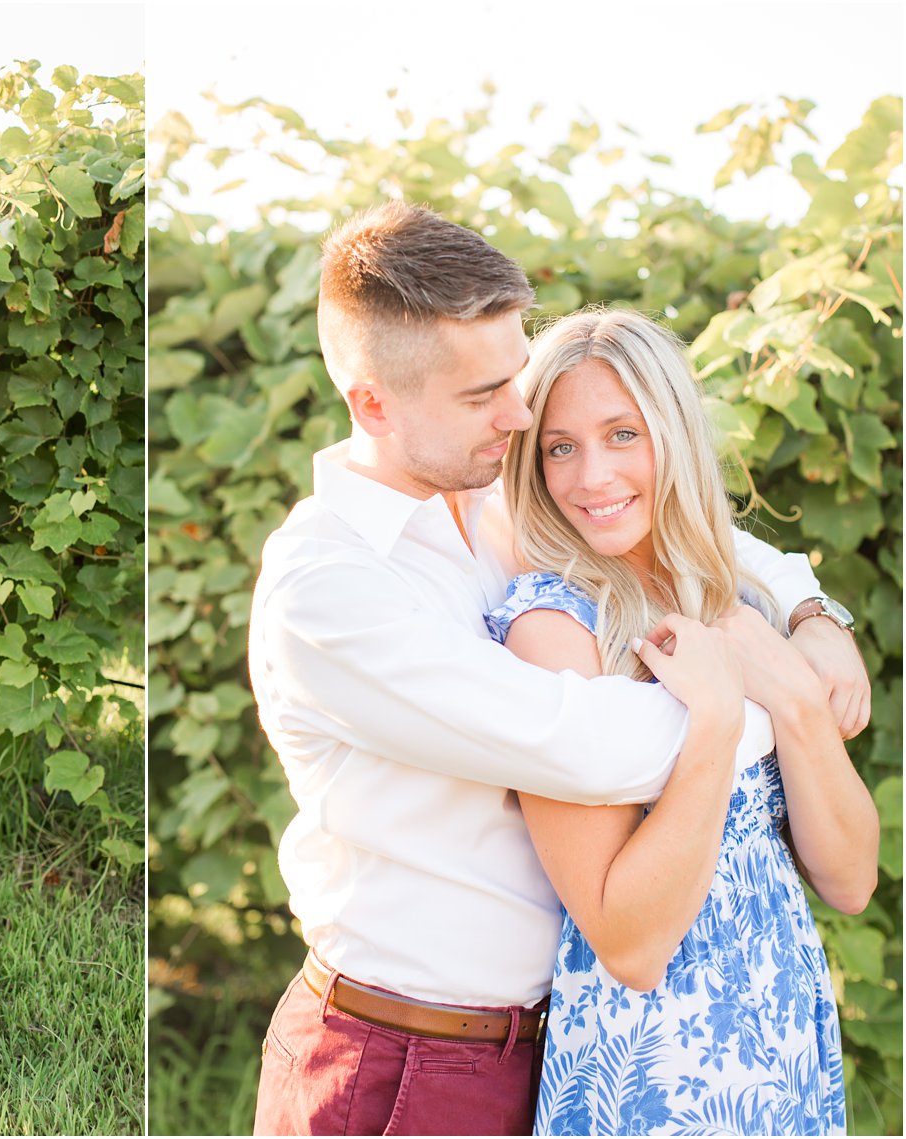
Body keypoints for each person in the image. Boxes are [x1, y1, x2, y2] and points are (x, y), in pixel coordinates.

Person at [246, 202, 870, 1136]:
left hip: (543, 1040)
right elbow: (581, 740)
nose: (523, 416)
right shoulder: (334, 589)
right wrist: (771, 694)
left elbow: (692, 532)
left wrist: (815, 615)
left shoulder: (483, 491)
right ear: (374, 403)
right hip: (405, 1055)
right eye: (483, 394)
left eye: (514, 381)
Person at [488, 308, 876, 1135]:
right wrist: (718, 719)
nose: (591, 476)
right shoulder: (555, 630)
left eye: (622, 433)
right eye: (560, 446)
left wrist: (800, 695)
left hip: (783, 1043)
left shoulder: (738, 599)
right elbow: (628, 943)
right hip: (657, 1066)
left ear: (674, 431)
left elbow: (850, 879)